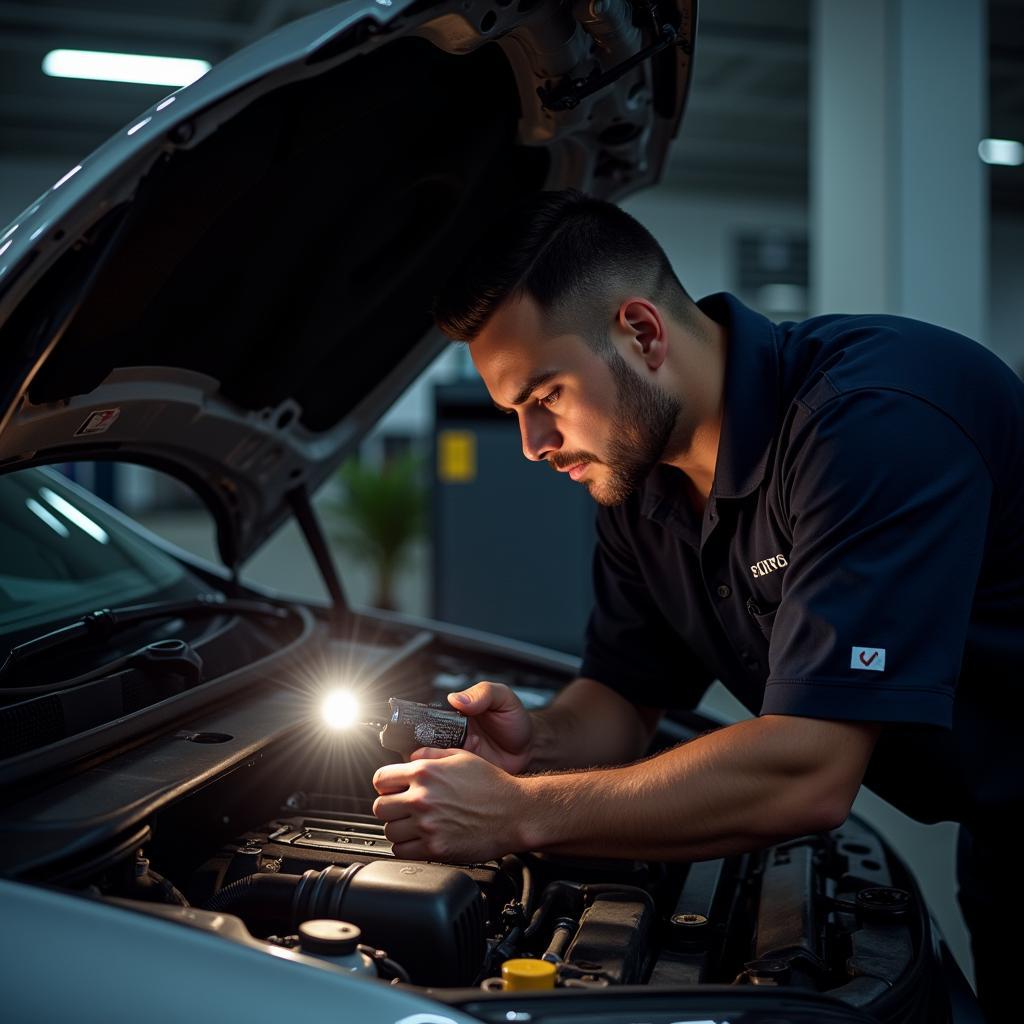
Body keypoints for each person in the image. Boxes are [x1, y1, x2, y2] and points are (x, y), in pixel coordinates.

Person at [371, 189, 1024, 1013]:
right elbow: (619, 701)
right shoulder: (641, 487)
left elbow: (809, 774)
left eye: (546, 399)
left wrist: (518, 815)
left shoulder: (871, 424)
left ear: (641, 333)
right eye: (515, 415)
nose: (534, 446)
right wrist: (533, 742)